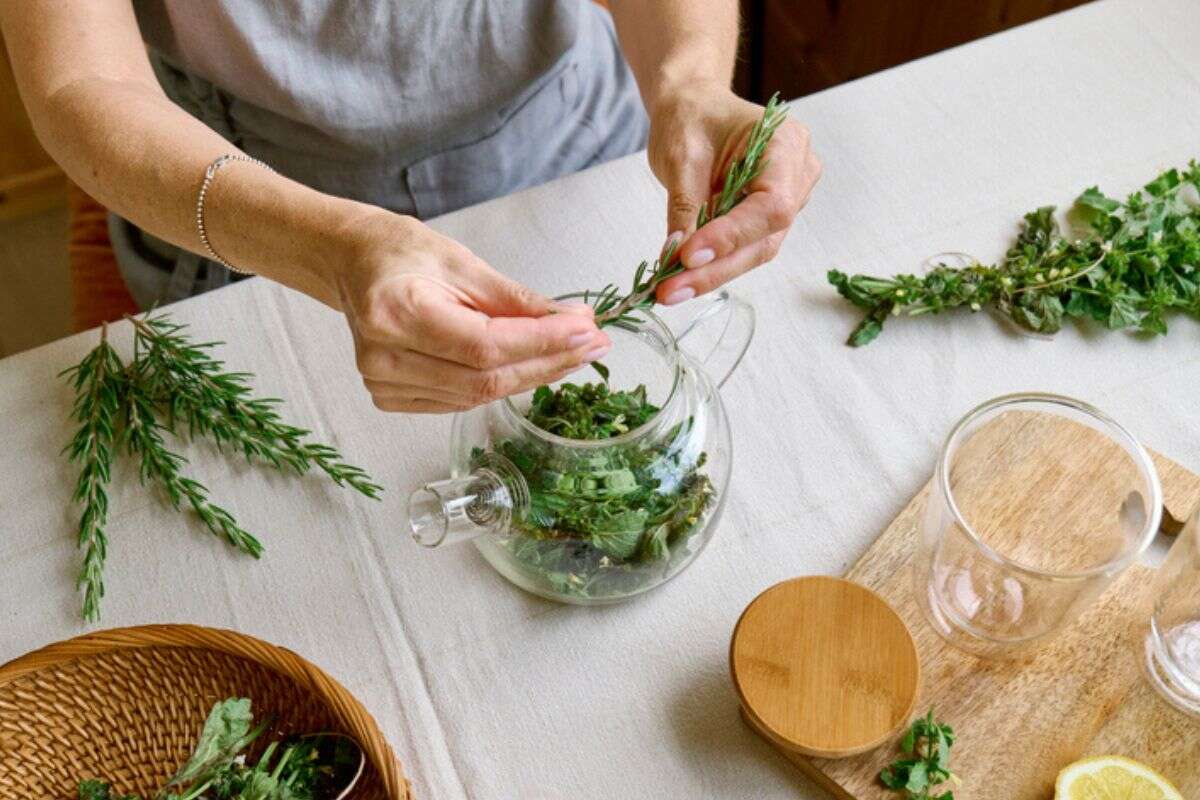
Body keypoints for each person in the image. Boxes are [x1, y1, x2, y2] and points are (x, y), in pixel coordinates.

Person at [1, 1, 820, 413]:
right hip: (253, 223)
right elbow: (82, 81)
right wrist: (331, 246)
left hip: (576, 159)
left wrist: (688, 81)